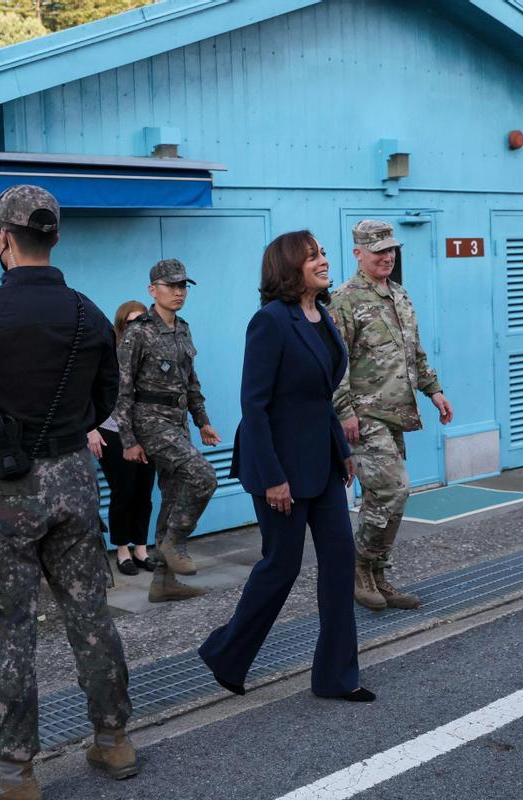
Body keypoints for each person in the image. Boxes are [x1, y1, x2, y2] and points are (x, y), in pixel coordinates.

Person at [0, 184, 136, 794]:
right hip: (74, 476)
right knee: (90, 613)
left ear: (3, 238)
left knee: (9, 627)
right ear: (55, 237)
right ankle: (114, 741)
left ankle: (17, 773)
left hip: (5, 483)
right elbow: (108, 398)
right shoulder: (90, 313)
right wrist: (70, 430)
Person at [199, 231, 372, 703]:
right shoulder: (270, 322)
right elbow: (254, 407)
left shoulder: (322, 317)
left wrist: (343, 449)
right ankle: (227, 654)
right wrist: (274, 477)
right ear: (288, 267)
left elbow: (322, 397)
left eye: (322, 253)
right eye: (312, 255)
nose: (322, 260)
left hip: (323, 460)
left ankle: (336, 677)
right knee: (282, 565)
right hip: (278, 466)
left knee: (339, 563)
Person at [329, 220, 453, 611]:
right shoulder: (344, 299)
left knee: (390, 498)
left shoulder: (399, 294)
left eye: (391, 249)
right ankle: (359, 568)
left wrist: (434, 391)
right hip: (364, 414)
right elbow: (335, 363)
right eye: (378, 250)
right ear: (358, 253)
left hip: (396, 412)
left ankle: (378, 574)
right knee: (393, 488)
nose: (386, 256)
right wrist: (344, 411)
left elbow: (413, 350)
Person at [115, 259, 221, 603]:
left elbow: (191, 381)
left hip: (177, 422)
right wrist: (128, 440)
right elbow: (122, 390)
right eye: (171, 286)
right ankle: (174, 542)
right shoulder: (138, 333)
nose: (178, 292)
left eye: (182, 286)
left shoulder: (183, 329)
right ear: (152, 290)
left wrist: (202, 420)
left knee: (173, 496)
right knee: (204, 476)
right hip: (150, 422)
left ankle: (163, 582)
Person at [88, 301, 156, 577]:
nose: (136, 326)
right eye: (130, 322)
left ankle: (141, 548)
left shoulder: (151, 350)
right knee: (123, 491)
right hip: (113, 431)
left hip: (146, 431)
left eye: (142, 320)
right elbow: (86, 390)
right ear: (120, 324)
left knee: (144, 492)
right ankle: (122, 550)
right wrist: (89, 429)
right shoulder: (108, 352)